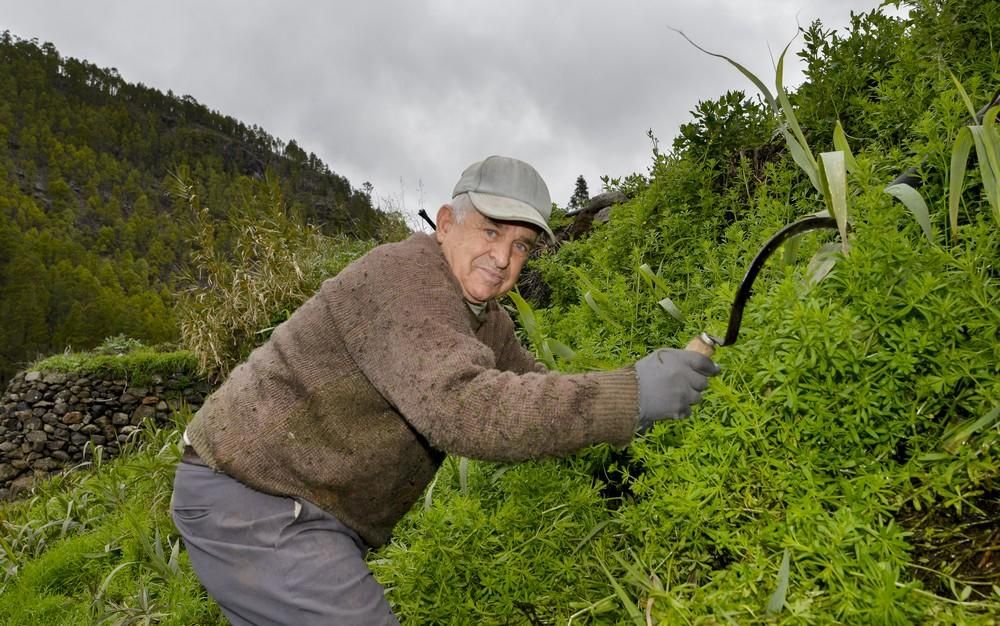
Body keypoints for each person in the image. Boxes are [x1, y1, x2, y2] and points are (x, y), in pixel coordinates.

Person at [170, 155, 720, 625]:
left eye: (522, 245)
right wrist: (628, 394)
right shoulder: (403, 279)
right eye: (490, 231)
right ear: (446, 222)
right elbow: (466, 410)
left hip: (304, 508)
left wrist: (641, 394)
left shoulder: (485, 319)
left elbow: (529, 391)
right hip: (252, 496)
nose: (504, 258)